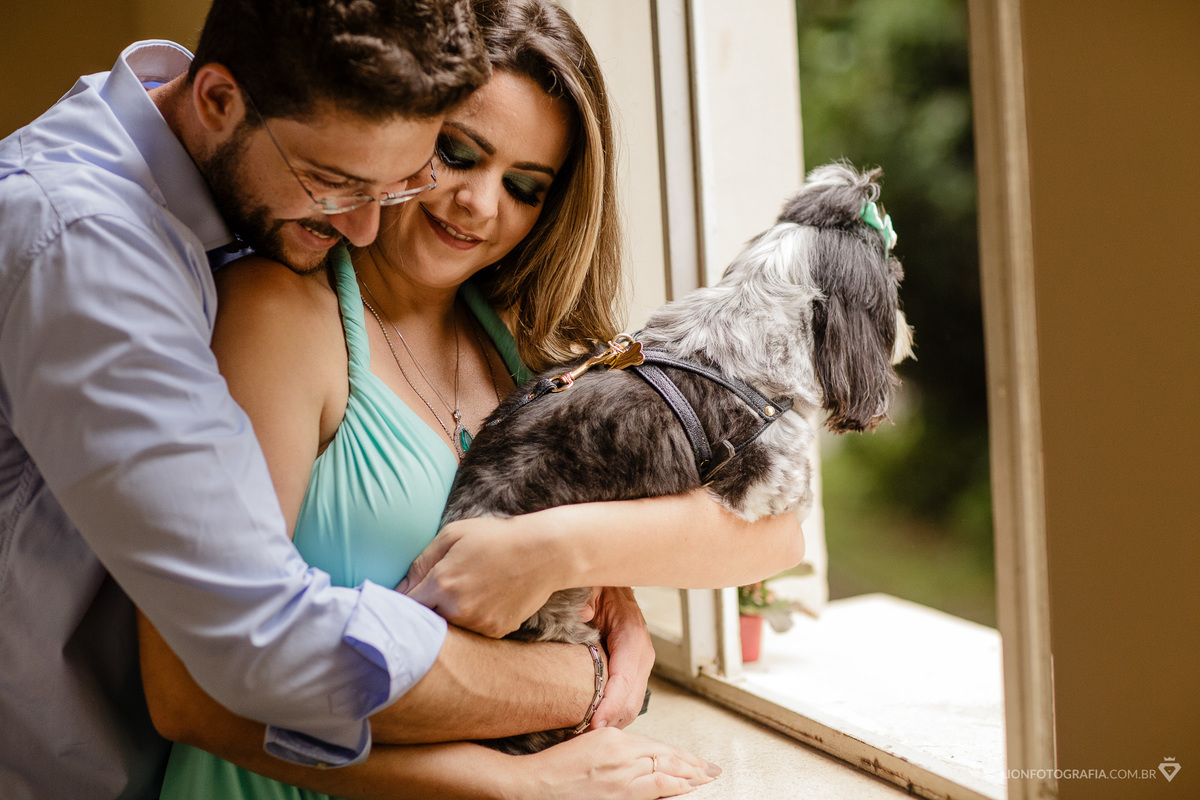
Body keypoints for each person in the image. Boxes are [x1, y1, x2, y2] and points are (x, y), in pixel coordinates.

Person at [136, 1, 803, 797]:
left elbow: (776, 532)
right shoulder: (281, 315)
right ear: (400, 128)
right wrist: (524, 775)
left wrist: (565, 550)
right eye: (456, 154)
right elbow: (192, 695)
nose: (480, 206)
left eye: (523, 186)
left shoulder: (524, 351)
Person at [0, 2, 652, 798]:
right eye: (337, 184)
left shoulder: (229, 206)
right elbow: (253, 643)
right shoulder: (89, 247)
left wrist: (578, 560)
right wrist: (573, 680)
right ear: (215, 101)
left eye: (398, 181)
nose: (369, 229)